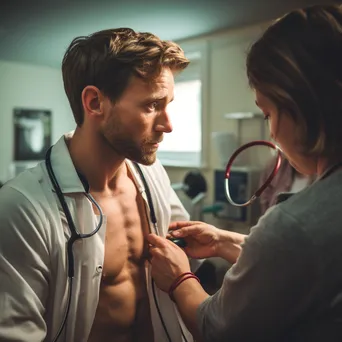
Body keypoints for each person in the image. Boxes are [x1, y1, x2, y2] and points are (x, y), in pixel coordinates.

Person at [147, 4, 342, 342]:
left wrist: (180, 279)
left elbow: (217, 329)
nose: (272, 135)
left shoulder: (293, 226)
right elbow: (309, 261)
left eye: (267, 113)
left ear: (301, 106)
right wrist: (228, 241)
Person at [0, 28, 199, 342]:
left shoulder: (152, 173)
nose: (168, 125)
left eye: (168, 104)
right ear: (94, 103)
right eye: (151, 106)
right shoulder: (20, 208)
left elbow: (186, 253)